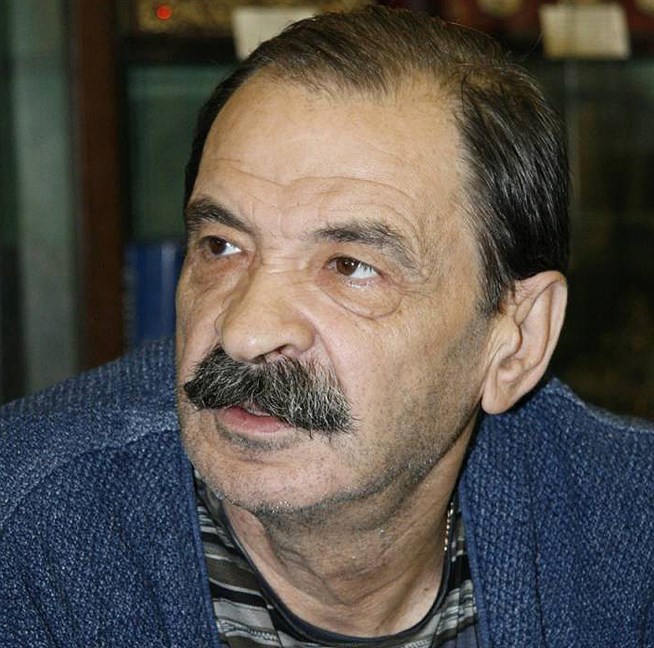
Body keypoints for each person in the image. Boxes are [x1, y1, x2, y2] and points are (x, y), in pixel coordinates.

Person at [1, 6, 652, 647]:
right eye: (222, 247)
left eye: (350, 266)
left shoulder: (630, 537)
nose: (245, 332)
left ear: (517, 343)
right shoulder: (27, 532)